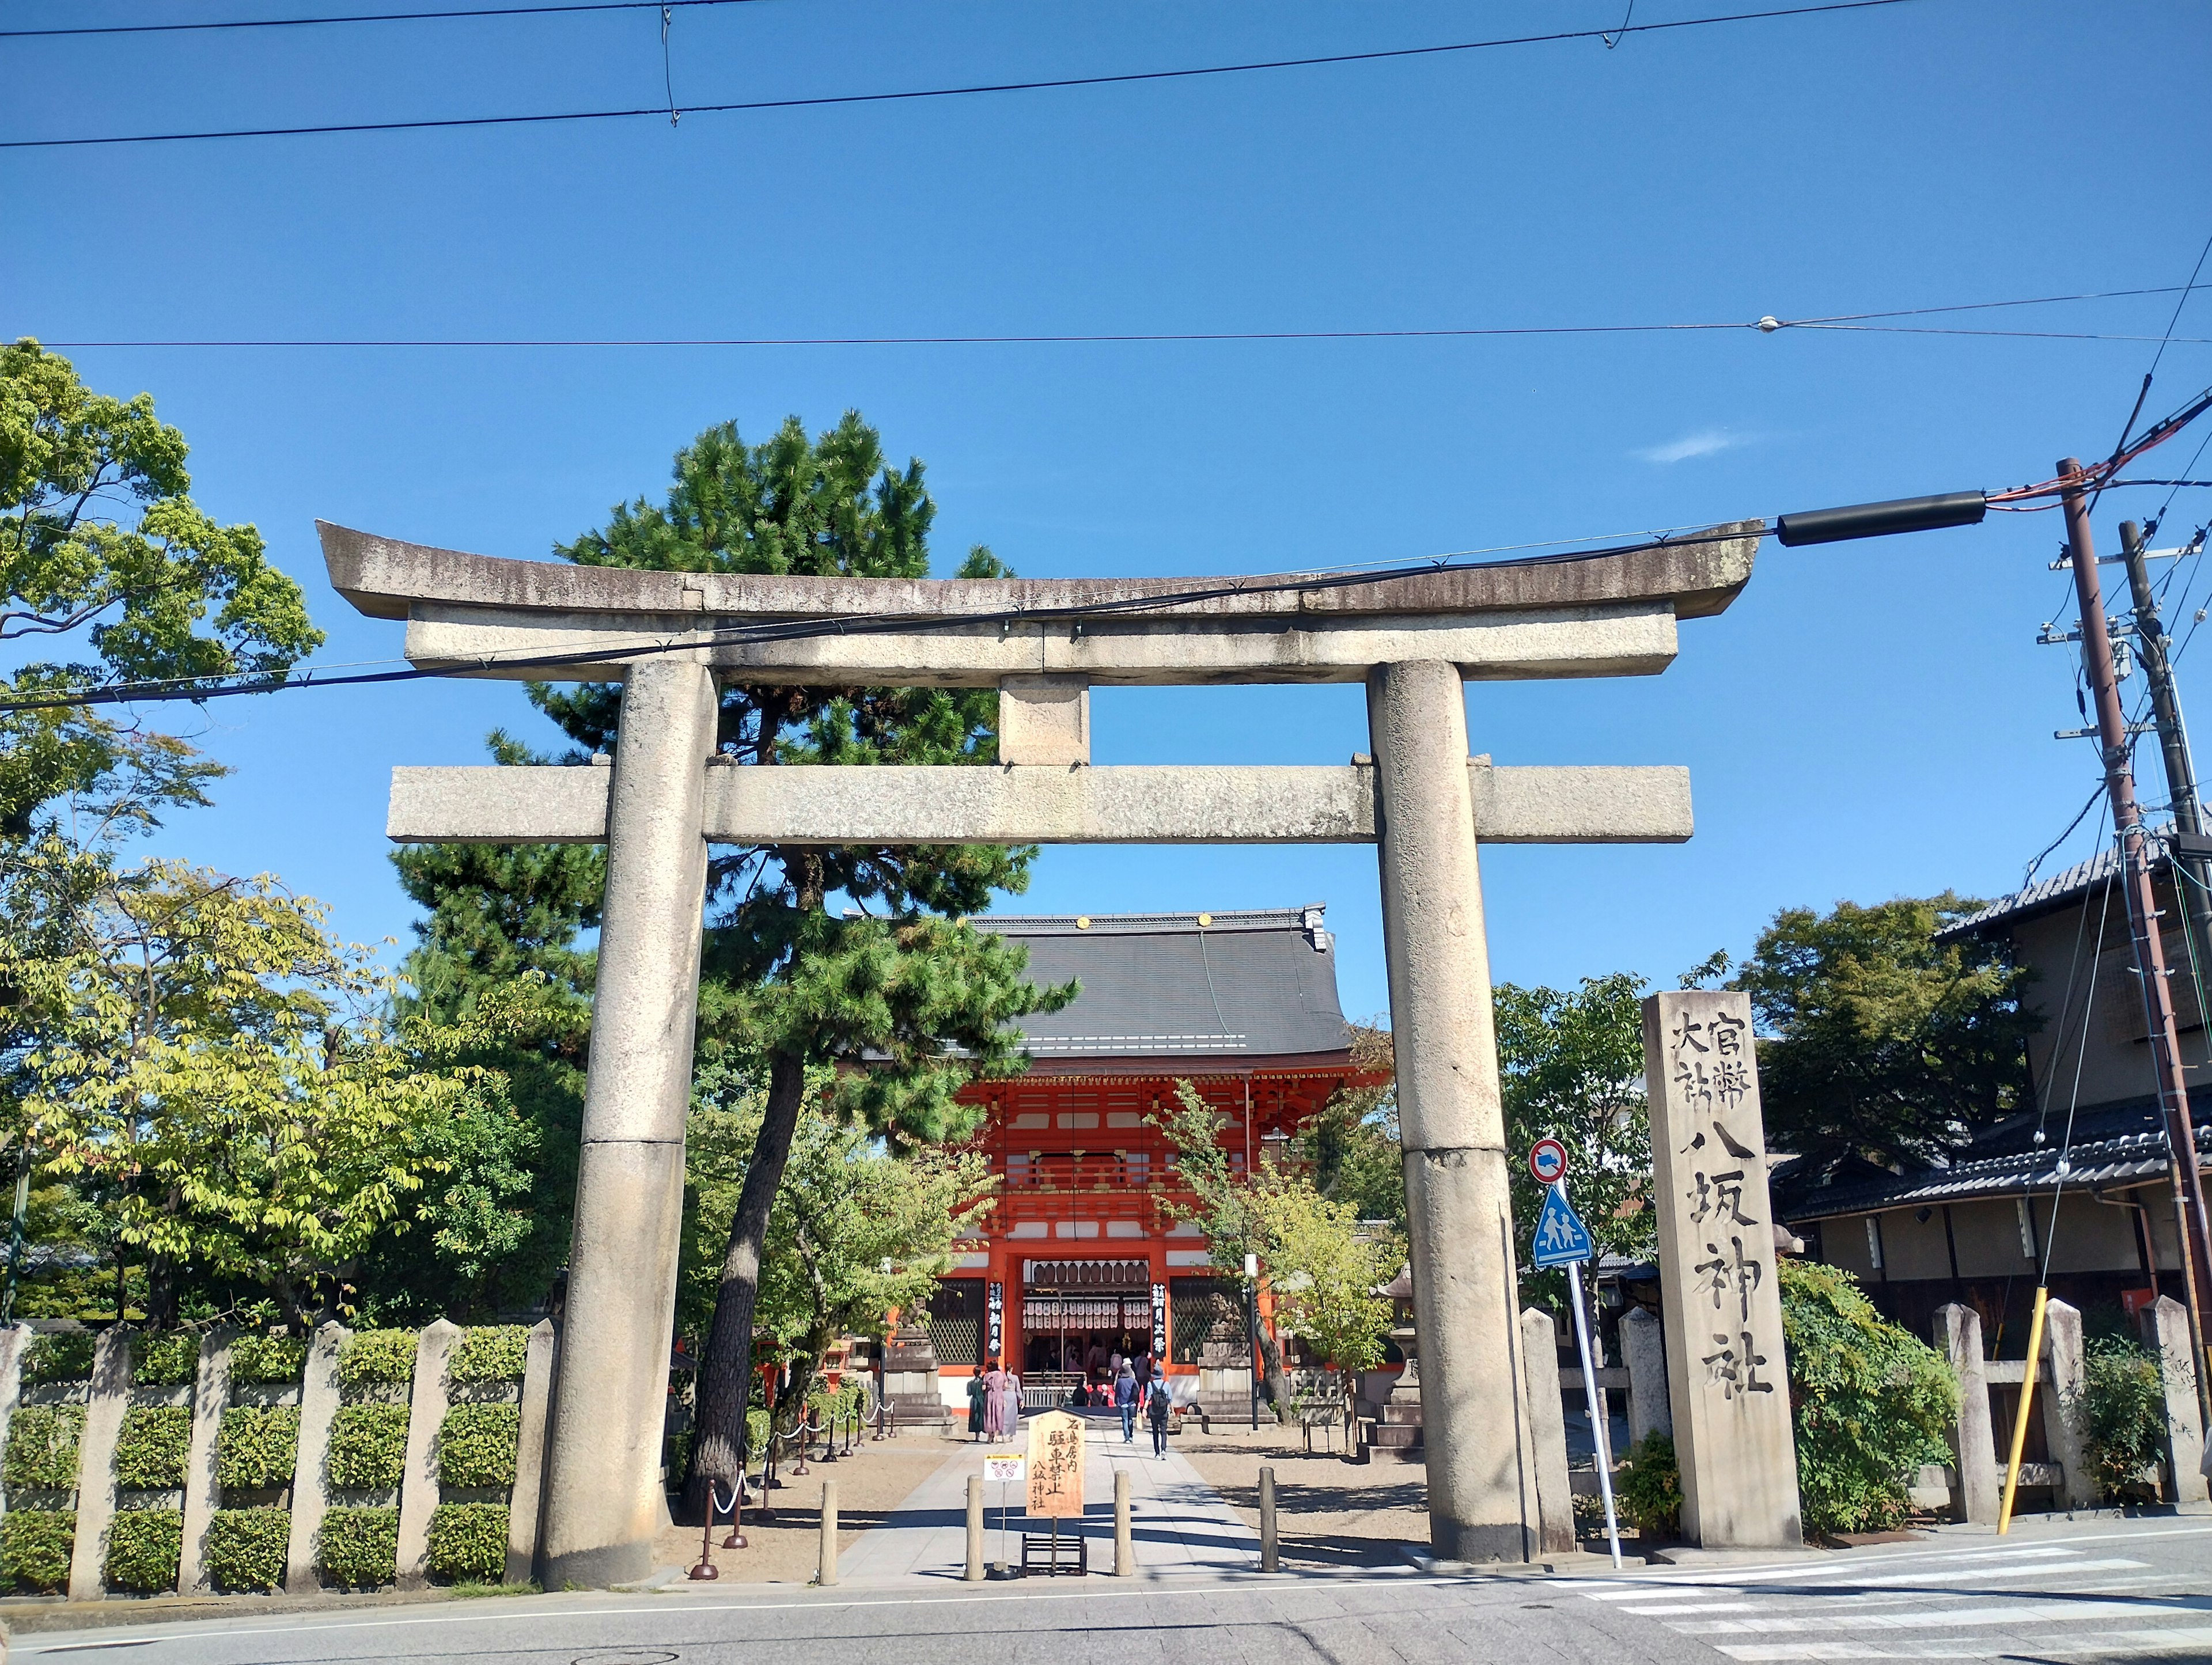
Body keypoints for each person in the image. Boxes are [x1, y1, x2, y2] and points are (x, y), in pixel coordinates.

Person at [1145, 1372, 1172, 1457]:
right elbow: (1170, 1398)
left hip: (1154, 1411)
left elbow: (1148, 1398)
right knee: (1164, 1431)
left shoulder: (1150, 1384)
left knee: (1155, 1431)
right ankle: (1164, 1449)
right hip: (1164, 1411)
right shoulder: (1166, 1384)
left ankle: (1157, 1453)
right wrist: (1172, 1410)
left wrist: (1144, 1409)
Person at [1114, 1361, 1138, 1443]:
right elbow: (1137, 1390)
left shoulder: (1120, 1381)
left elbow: (1117, 1392)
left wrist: (1116, 1401)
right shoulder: (1133, 1380)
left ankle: (1127, 1437)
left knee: (1125, 1420)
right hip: (1131, 1402)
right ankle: (1131, 1436)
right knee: (1130, 1419)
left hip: (1122, 1402)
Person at [967, 1365, 988, 1442]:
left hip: (974, 1400)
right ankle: (987, 1433)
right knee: (983, 1416)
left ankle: (977, 1436)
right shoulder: (983, 1383)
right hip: (982, 1400)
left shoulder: (970, 1383)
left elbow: (969, 1393)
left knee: (974, 1417)